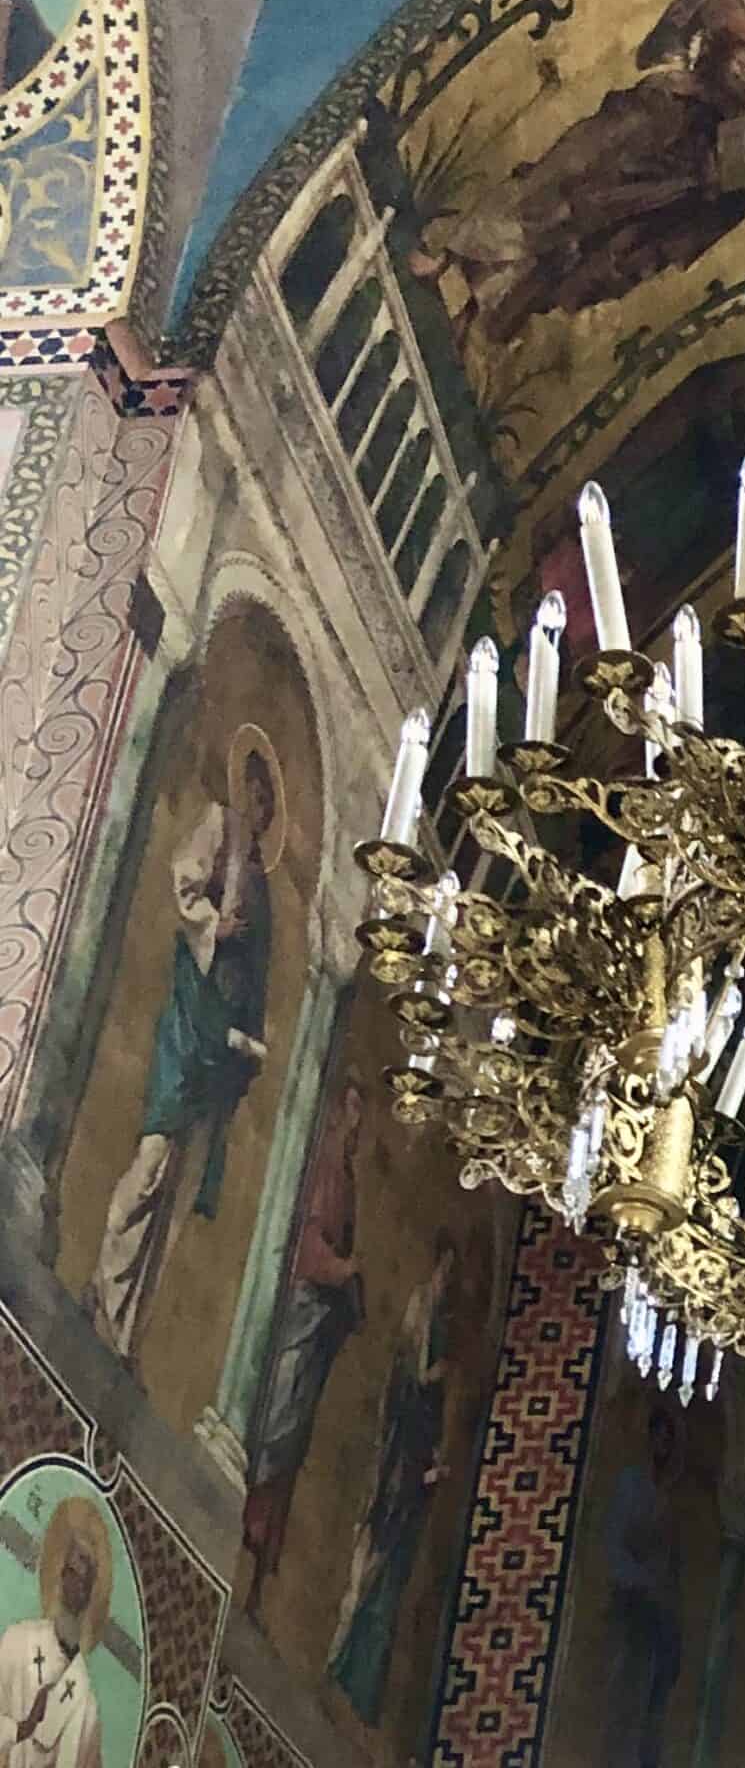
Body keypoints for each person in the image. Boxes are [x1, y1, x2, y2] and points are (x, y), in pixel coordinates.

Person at [411, 0, 745, 347]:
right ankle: (449, 250)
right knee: (557, 179)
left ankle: (476, 310)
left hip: (684, 180)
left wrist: (720, 179)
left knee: (581, 244)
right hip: (661, 114)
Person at [88, 727, 280, 1363]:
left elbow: (259, 971)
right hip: (192, 1017)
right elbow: (184, 879)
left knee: (181, 1185)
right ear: (243, 791)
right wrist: (212, 925)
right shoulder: (219, 826)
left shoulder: (263, 882)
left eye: (267, 802)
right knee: (152, 1163)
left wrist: (251, 1041)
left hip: (225, 1043)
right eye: (255, 794)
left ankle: (126, 1336)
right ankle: (102, 1290)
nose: (259, 808)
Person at [530, 348, 745, 652]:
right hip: (684, 468)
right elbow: (714, 388)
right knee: (629, 523)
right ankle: (557, 599)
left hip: (710, 498)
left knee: (651, 555)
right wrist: (727, 442)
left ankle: (581, 622)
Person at [241, 1084, 368, 1619]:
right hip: (299, 1316)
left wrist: (351, 1288)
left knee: (291, 1440)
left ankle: (258, 1562)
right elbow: (308, 1244)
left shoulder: (347, 1180)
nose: (355, 1128)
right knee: (275, 1421)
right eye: (351, 1113)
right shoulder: (322, 1166)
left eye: (360, 1118)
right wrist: (342, 1271)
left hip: (318, 1328)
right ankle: (246, 1512)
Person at [328, 1230, 459, 1723]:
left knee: (391, 1578)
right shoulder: (419, 1310)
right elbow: (410, 1376)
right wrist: (433, 1375)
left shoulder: (441, 1325)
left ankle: (362, 1682)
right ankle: (342, 1654)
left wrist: (436, 1457)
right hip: (400, 1458)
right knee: (373, 1554)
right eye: (446, 1269)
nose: (448, 1281)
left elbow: (433, 1403)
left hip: (417, 1459)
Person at [600, 1405, 686, 1768]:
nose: (662, 1447)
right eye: (659, 1437)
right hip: (632, 1605)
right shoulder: (631, 1483)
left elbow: (670, 1560)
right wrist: (642, 1580)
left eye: (669, 1441)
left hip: (658, 1613)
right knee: (625, 1692)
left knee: (652, 1698)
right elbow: (614, 1544)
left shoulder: (665, 1495)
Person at [0, 1497, 111, 1768]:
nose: (78, 1581)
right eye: (73, 1569)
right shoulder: (18, 1642)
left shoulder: (87, 1708)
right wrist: (23, 1728)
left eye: (86, 1576)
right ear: (60, 1571)